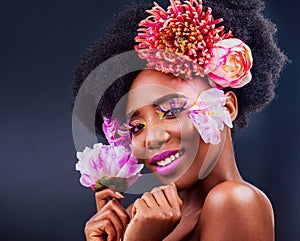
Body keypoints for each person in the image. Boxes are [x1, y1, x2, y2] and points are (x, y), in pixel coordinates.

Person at [72, 0, 287, 240]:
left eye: (171, 111)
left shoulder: (234, 200)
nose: (152, 138)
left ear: (226, 107)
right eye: (136, 127)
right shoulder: (141, 216)